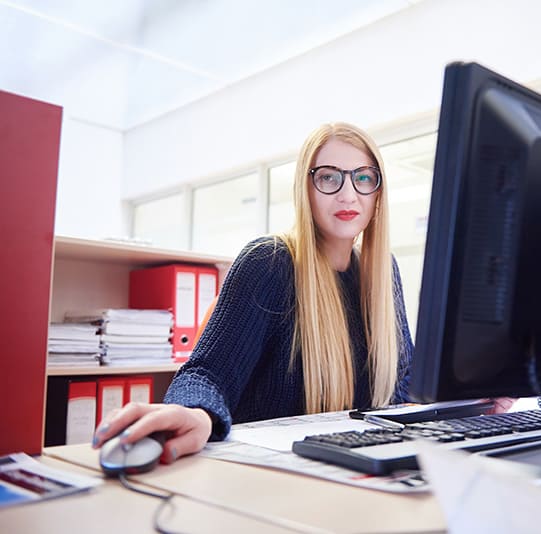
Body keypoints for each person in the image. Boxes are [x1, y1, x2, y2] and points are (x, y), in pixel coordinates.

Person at [92, 122, 414, 464]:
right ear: (305, 190)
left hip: (359, 466)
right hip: (274, 475)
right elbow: (208, 372)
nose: (348, 194)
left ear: (379, 192)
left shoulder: (382, 273)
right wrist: (197, 412)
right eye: (328, 177)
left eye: (363, 178)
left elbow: (405, 376)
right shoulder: (269, 262)